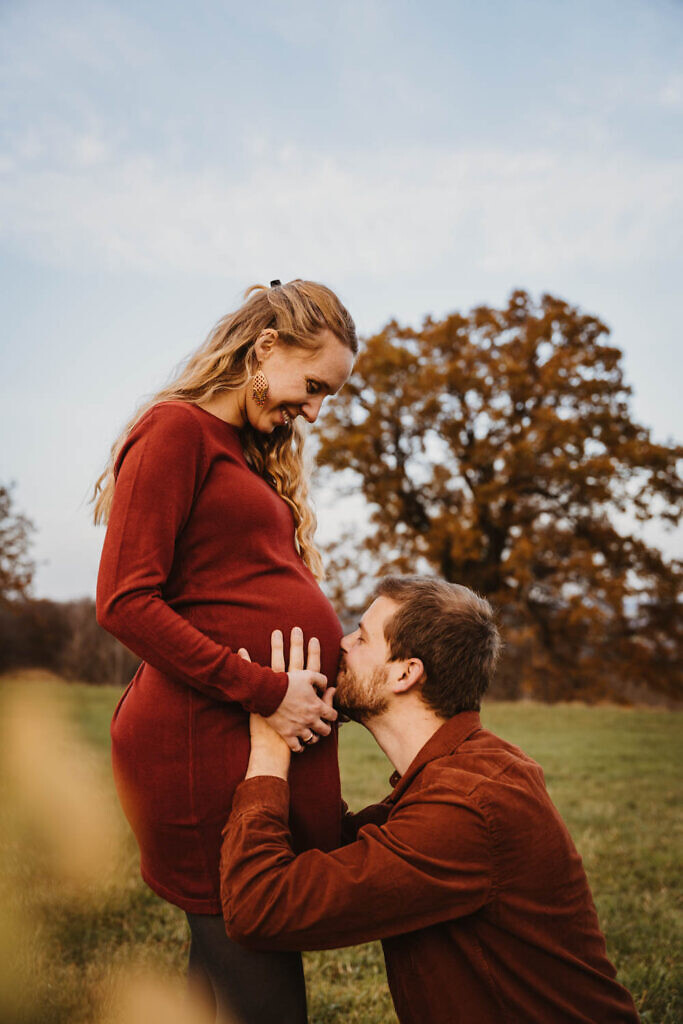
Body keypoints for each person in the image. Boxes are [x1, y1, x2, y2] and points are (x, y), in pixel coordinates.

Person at [94, 279, 357, 1024]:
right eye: (312, 387)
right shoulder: (175, 430)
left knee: (215, 984)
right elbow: (123, 601)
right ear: (266, 346)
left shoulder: (239, 451)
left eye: (325, 398)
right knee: (261, 983)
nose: (312, 411)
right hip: (196, 747)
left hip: (234, 742)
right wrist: (266, 691)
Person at [220, 575, 640, 1024]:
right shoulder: (461, 774)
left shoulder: (468, 807)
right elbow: (334, 847)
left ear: (406, 672)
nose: (342, 643)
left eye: (362, 637)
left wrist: (268, 748)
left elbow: (258, 908)